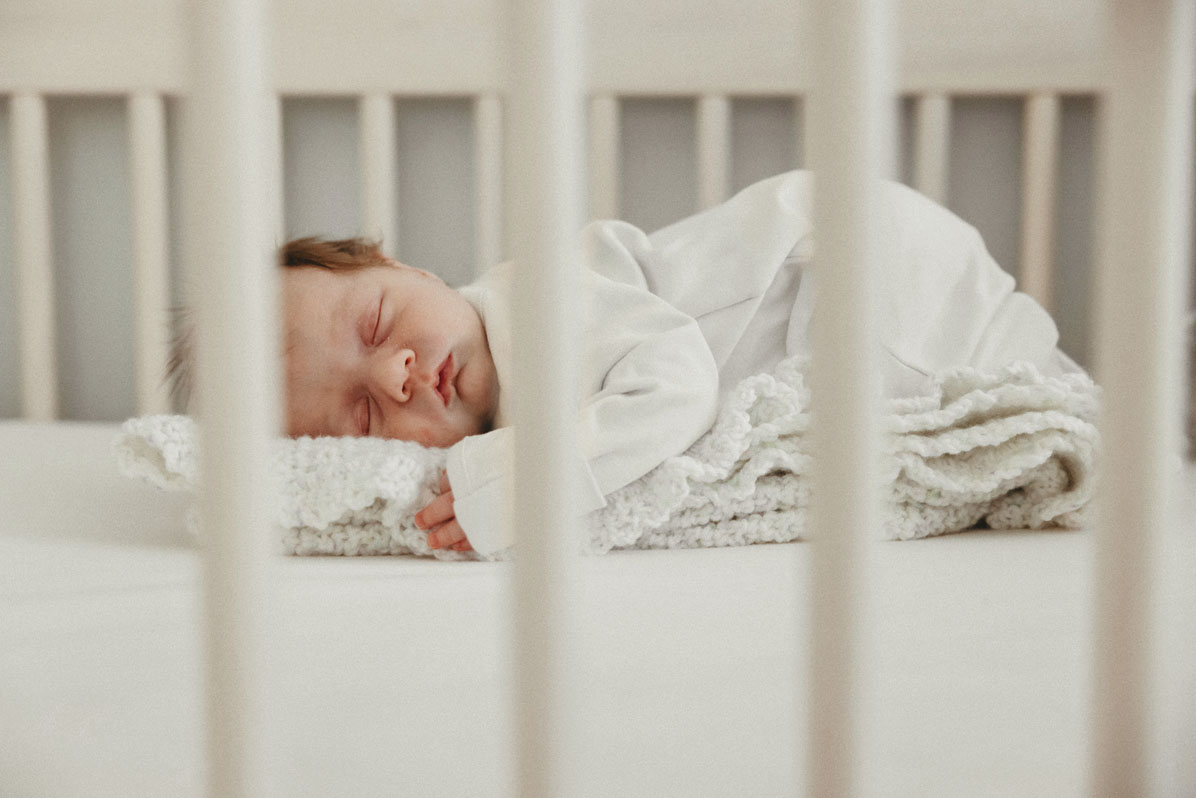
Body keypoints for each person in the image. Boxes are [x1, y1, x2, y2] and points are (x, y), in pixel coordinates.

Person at [170, 170, 1082, 557]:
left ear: (408, 268)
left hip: (865, 267)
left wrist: (523, 484)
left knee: (1020, 406)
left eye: (377, 323)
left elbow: (678, 385)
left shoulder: (541, 303)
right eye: (365, 417)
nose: (395, 375)